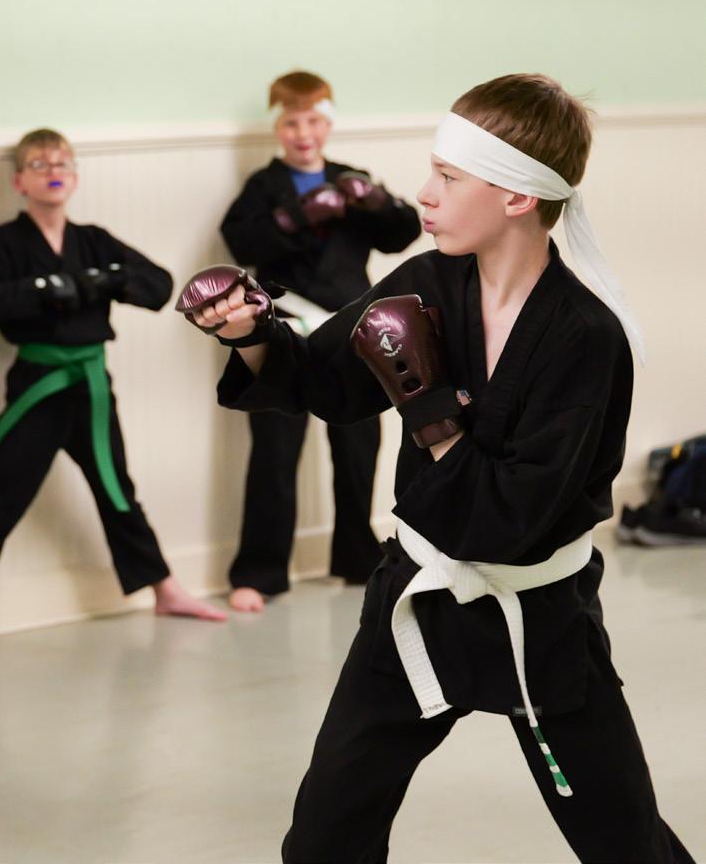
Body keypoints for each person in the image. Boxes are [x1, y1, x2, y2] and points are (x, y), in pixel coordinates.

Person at [178, 73, 691, 862]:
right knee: (324, 836)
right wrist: (249, 329)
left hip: (538, 620)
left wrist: (427, 410)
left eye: (448, 178)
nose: (424, 194)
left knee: (621, 840)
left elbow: (511, 515)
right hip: (416, 601)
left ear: (516, 195)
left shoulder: (584, 336)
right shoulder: (427, 282)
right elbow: (325, 381)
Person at [0, 127, 225, 673]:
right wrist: (45, 290)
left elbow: (159, 285)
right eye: (39, 164)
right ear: (19, 181)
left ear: (75, 177)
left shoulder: (94, 240)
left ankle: (165, 589)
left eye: (62, 163)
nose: (53, 170)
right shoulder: (3, 243)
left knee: (117, 490)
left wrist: (105, 281)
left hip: (92, 385)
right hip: (38, 386)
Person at [219, 71, 420, 611]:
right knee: (275, 450)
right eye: (291, 122)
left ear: (328, 123)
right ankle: (260, 571)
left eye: (312, 120)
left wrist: (376, 201)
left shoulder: (351, 178)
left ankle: (357, 559)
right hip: (283, 330)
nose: (303, 133)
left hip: (351, 331)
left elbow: (403, 232)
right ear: (277, 127)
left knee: (358, 447)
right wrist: (294, 217)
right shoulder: (264, 186)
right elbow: (240, 241)